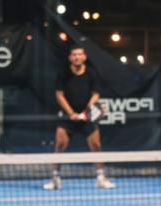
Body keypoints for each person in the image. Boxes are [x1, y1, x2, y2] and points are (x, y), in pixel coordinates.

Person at [44, 43, 113, 190]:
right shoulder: (63, 73)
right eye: (74, 55)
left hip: (86, 116)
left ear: (84, 57)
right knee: (60, 145)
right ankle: (55, 178)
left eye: (80, 54)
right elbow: (59, 95)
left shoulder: (91, 73)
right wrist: (71, 114)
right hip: (67, 116)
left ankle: (101, 178)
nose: (77, 57)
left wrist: (86, 112)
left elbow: (96, 94)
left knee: (96, 146)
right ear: (70, 57)